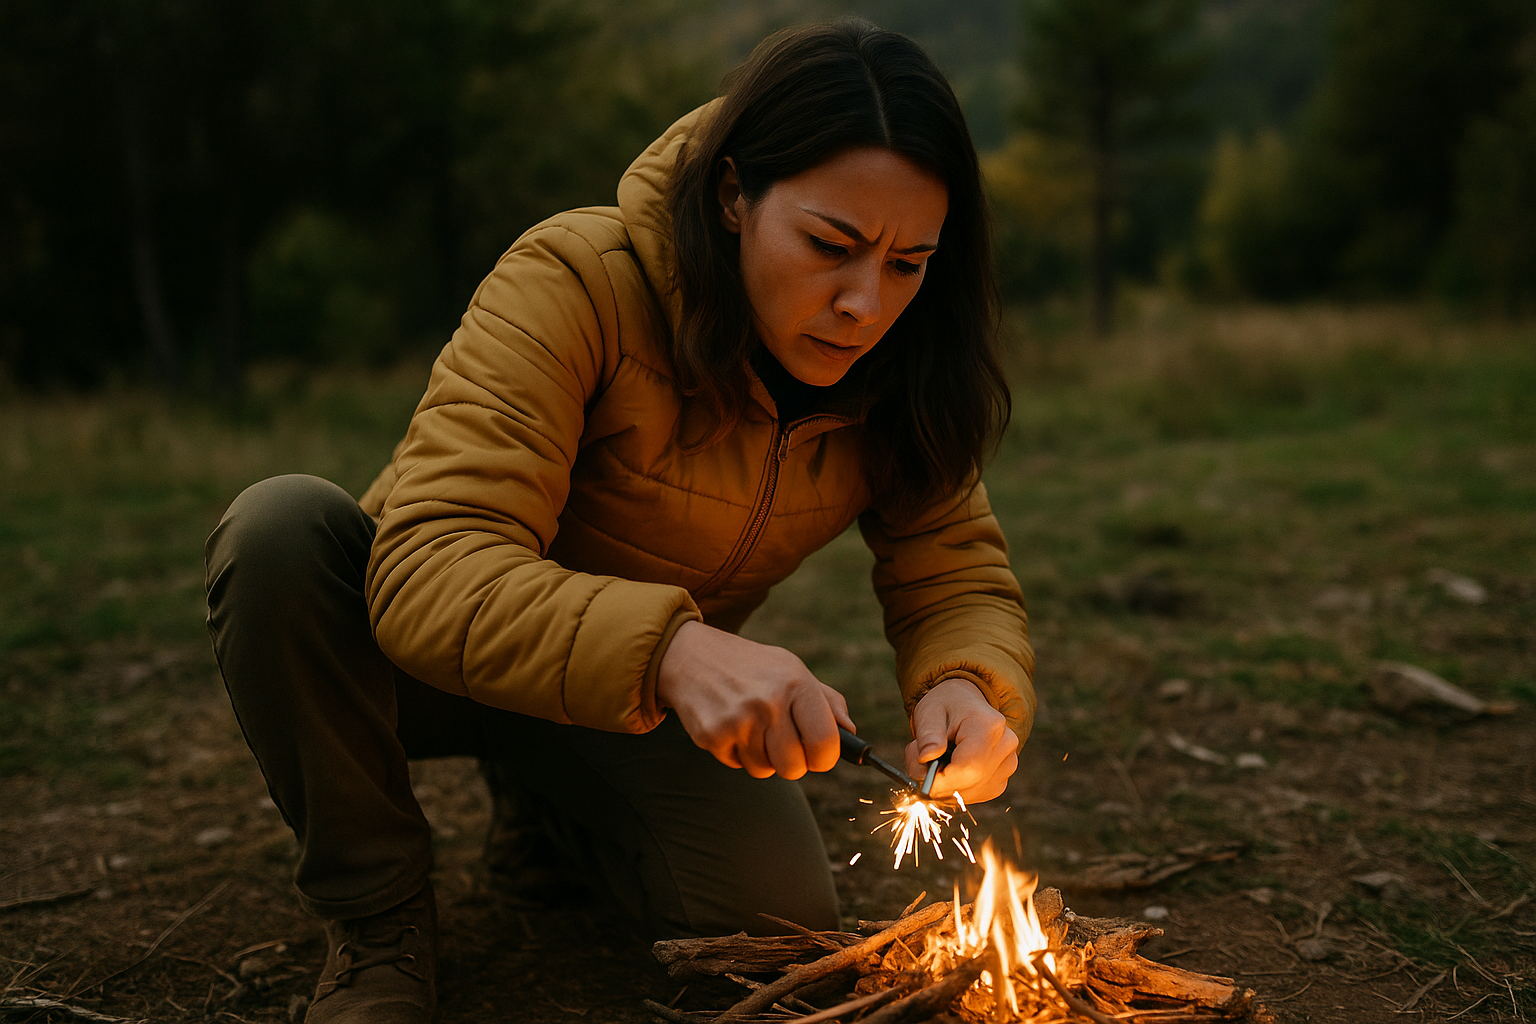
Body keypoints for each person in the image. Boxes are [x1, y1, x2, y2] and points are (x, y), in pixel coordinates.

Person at [204, 19, 1036, 1024]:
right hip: (413, 663)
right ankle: (378, 919)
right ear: (734, 195)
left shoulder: (906, 368)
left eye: (910, 263)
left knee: (772, 925)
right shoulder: (578, 277)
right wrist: (680, 653)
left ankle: (549, 816)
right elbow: (427, 565)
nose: (865, 302)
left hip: (615, 699)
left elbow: (953, 571)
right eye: (831, 245)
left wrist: (967, 684)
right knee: (280, 530)